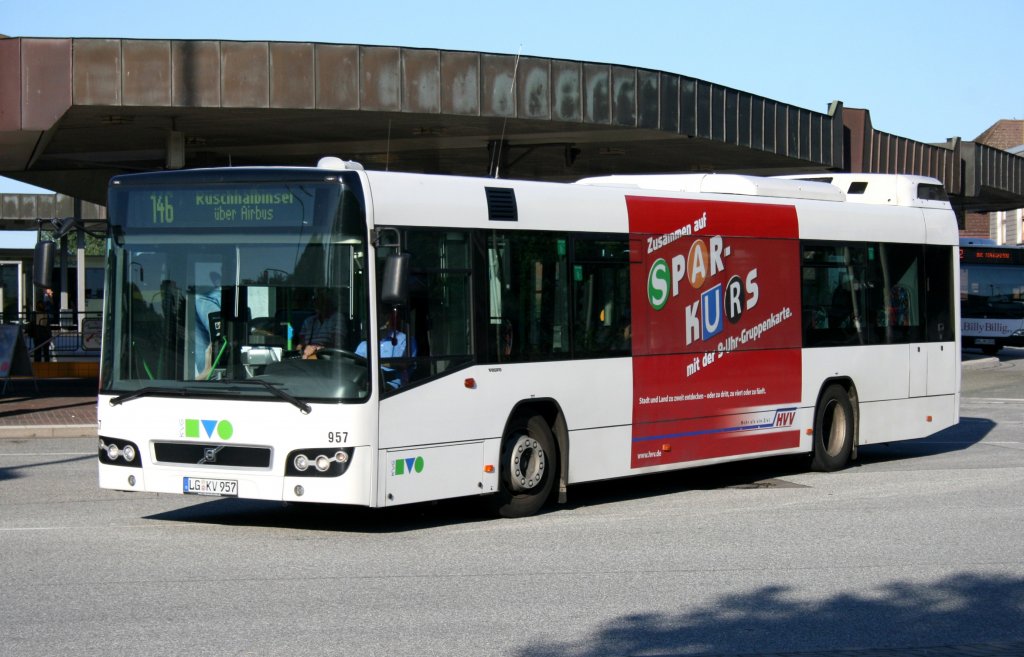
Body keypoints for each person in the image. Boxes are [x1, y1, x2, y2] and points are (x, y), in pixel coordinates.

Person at [356, 314, 415, 389]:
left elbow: (404, 363)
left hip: (391, 388)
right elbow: (354, 363)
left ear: (388, 320)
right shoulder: (364, 344)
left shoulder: (405, 340)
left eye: (380, 317)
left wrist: (373, 360)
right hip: (365, 383)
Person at [295, 289, 345, 359]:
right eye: (316, 300)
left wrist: (316, 349)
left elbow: (337, 344)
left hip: (328, 359)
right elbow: (300, 345)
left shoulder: (337, 318)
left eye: (322, 300)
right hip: (306, 358)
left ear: (329, 302)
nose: (318, 303)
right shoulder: (308, 321)